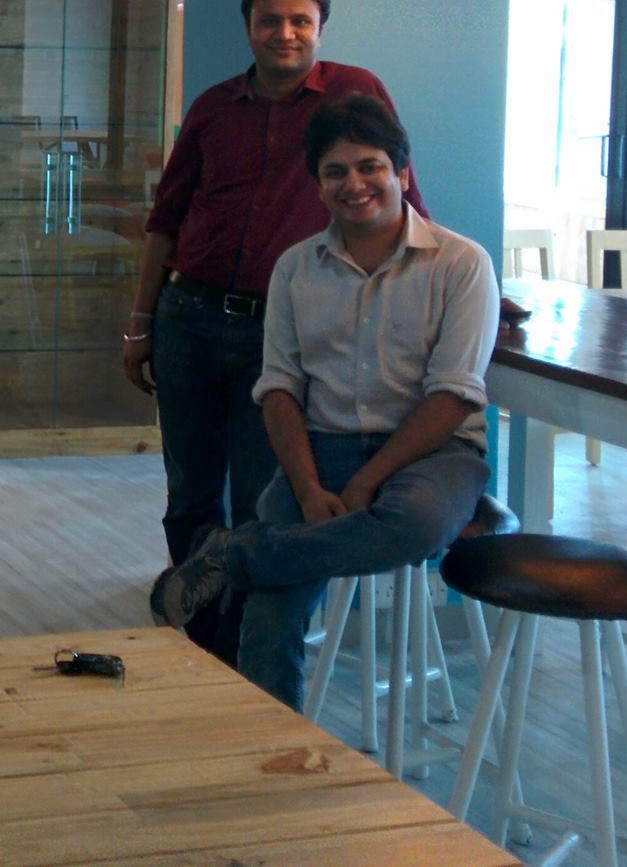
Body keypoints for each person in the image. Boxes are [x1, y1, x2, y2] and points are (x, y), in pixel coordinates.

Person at [148, 94, 493, 711]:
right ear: (318, 186)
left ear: (402, 174)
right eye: (335, 172)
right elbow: (279, 389)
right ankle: (272, 744)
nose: (354, 184)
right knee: (271, 609)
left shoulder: (461, 264)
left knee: (410, 526)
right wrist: (308, 489)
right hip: (322, 446)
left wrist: (366, 481)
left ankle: (233, 554)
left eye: (370, 167)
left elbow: (452, 396)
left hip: (434, 455)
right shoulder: (295, 268)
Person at [122, 0, 423, 664]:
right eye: (269, 20)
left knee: (265, 494)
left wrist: (449, 277)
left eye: (299, 21)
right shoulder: (214, 107)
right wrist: (139, 324)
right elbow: (165, 219)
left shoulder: (353, 91)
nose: (284, 33)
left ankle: (243, 642)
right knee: (190, 488)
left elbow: (400, 191)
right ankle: (198, 632)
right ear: (248, 27)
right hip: (189, 317)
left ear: (320, 27)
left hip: (281, 328)